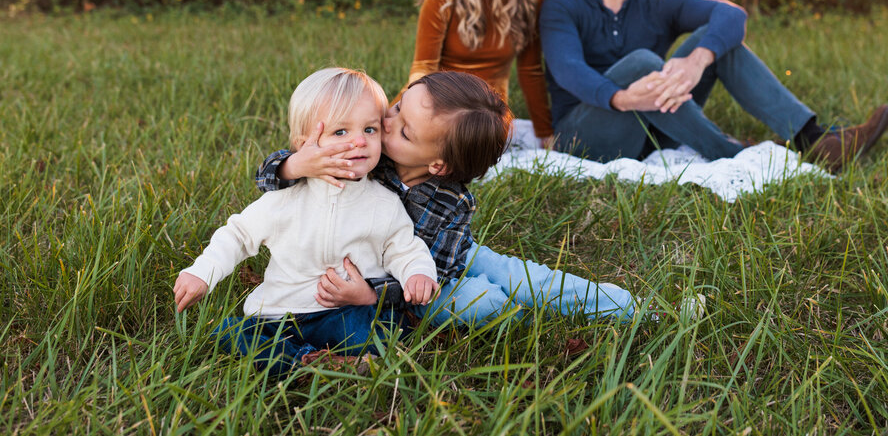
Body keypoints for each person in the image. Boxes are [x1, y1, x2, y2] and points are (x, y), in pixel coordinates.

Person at [254, 70, 637, 330]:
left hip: (434, 271)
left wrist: (373, 295)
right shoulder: (362, 155)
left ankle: (631, 309)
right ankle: (508, 308)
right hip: (376, 269)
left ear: (437, 164)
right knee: (488, 302)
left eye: (404, 131)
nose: (385, 123)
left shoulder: (451, 202)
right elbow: (268, 182)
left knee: (528, 278)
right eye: (399, 106)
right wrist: (296, 164)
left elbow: (430, 272)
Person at [539, 0, 888, 173]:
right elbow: (566, 67)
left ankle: (812, 139)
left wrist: (698, 59)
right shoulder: (563, 2)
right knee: (644, 63)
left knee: (717, 40)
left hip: (655, 128)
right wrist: (621, 98)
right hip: (584, 137)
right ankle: (739, 156)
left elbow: (731, 13)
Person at [173, 68, 438, 378]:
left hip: (343, 312)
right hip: (278, 314)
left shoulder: (384, 203)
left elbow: (405, 247)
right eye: (340, 132)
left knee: (387, 329)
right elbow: (238, 235)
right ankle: (307, 361)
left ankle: (313, 362)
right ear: (305, 144)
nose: (358, 142)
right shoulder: (285, 199)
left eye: (370, 129)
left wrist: (418, 272)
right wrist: (201, 273)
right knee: (228, 333)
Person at [407, 0, 552, 146]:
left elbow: (531, 72)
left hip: (490, 126)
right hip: (441, 117)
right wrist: (401, 121)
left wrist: (546, 136)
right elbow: (423, 73)